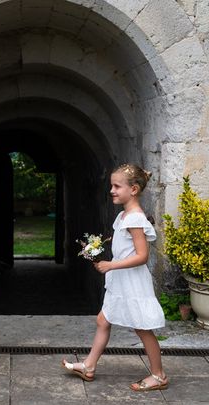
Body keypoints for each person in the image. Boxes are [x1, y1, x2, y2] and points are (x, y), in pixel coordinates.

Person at [62, 164, 168, 391]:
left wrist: (111, 264)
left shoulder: (135, 219)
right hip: (121, 280)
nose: (112, 190)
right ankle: (89, 366)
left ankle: (159, 375)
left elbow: (141, 256)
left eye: (117, 186)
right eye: (111, 185)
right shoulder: (123, 216)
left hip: (132, 281)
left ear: (134, 189)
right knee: (103, 320)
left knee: (142, 328)